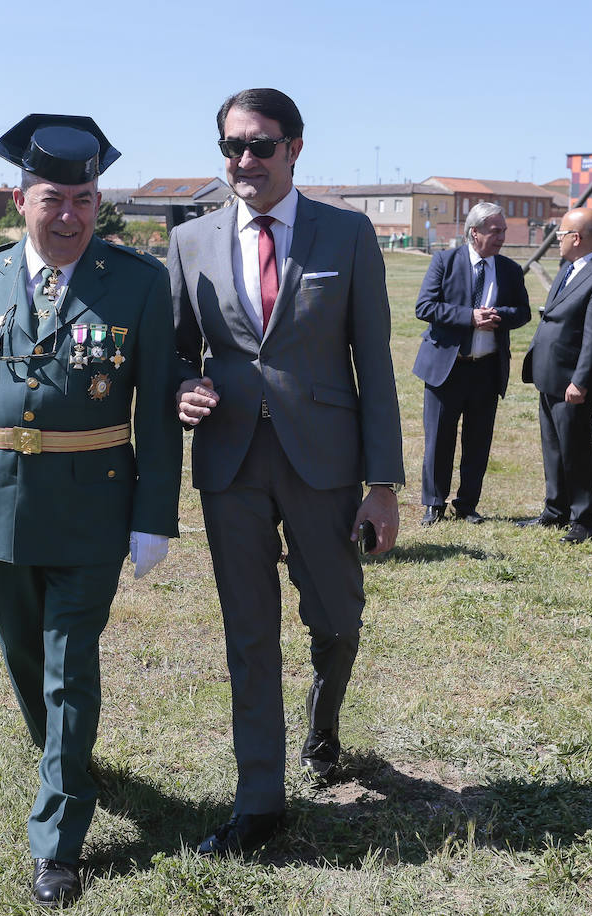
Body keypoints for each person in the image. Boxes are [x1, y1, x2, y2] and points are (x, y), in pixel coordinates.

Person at [0, 114, 181, 908]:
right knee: (25, 661)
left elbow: (158, 412)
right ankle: (64, 759)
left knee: (71, 667)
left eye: (84, 197)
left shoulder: (138, 282)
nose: (69, 214)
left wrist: (153, 515)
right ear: (18, 199)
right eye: (52, 198)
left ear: (99, 200)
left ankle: (59, 837)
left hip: (93, 512)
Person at [170, 88, 404, 857]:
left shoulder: (347, 234)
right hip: (230, 463)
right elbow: (174, 349)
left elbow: (373, 363)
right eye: (232, 147)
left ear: (295, 148)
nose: (245, 161)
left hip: (325, 462)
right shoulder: (190, 240)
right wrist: (182, 385)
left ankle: (324, 722)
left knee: (337, 619)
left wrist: (382, 485)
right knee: (248, 635)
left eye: (260, 146)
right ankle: (259, 798)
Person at [412, 202, 530, 525]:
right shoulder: (445, 261)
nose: (502, 237)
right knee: (439, 437)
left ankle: (466, 504)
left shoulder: (509, 269)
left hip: (486, 369)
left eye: (504, 230)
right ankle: (434, 503)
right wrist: (469, 317)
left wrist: (500, 316)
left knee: (478, 440)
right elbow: (424, 307)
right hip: (447, 366)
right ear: (474, 232)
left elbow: (523, 312)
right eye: (495, 231)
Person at [518, 207, 592, 544]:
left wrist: (580, 381)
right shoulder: (572, 268)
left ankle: (583, 519)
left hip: (572, 380)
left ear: (576, 238)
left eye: (561, 234)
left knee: (576, 448)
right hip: (550, 374)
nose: (557, 240)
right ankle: (555, 510)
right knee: (553, 446)